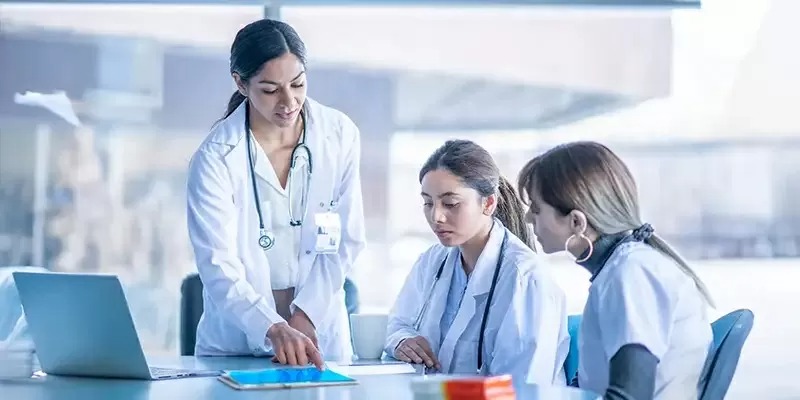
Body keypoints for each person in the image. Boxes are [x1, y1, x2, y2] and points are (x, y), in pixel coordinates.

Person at [185, 19, 366, 369]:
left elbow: (347, 239)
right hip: (237, 344)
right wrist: (273, 327)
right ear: (241, 83)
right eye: (270, 90)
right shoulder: (215, 158)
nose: (289, 101)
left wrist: (306, 315)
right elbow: (217, 264)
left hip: (319, 337)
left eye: (298, 84)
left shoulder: (339, 135)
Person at [517, 141, 714, 399]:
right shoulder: (621, 270)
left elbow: (629, 395)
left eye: (536, 209)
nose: (528, 218)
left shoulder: (631, 274)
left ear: (576, 222)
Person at [384, 139, 570, 389]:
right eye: (428, 203)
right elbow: (396, 324)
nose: (436, 216)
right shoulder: (432, 261)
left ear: (488, 203)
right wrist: (402, 341)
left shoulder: (525, 278)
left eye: (451, 204)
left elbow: (522, 385)